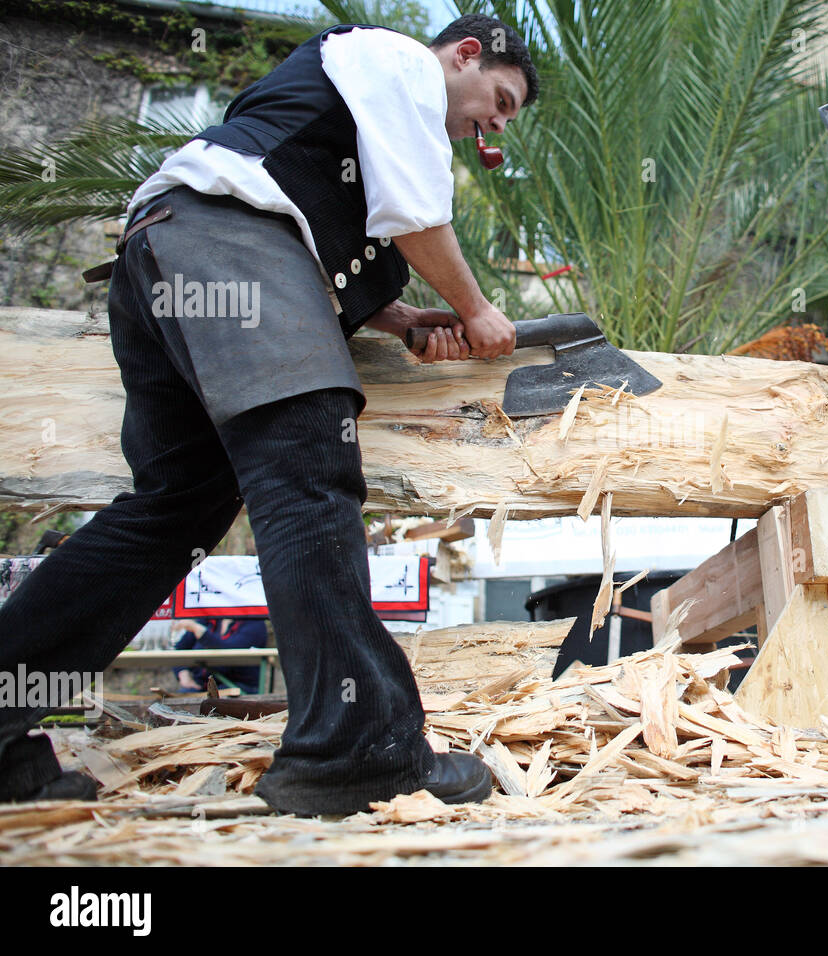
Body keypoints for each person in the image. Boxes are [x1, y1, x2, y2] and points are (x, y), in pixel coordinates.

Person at [0, 14, 539, 809]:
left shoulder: (347, 109)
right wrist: (477, 308)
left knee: (171, 514)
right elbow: (417, 217)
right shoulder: (396, 60)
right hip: (228, 248)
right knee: (310, 476)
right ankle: (357, 749)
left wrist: (401, 318)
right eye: (500, 99)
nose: (495, 124)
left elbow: (307, 210)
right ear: (464, 54)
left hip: (171, 251)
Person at [171, 618, 270, 695]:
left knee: (216, 703)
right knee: (179, 701)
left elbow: (231, 651)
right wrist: (182, 672)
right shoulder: (208, 620)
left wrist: (200, 631)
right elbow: (178, 650)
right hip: (201, 686)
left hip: (238, 686)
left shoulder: (255, 624)